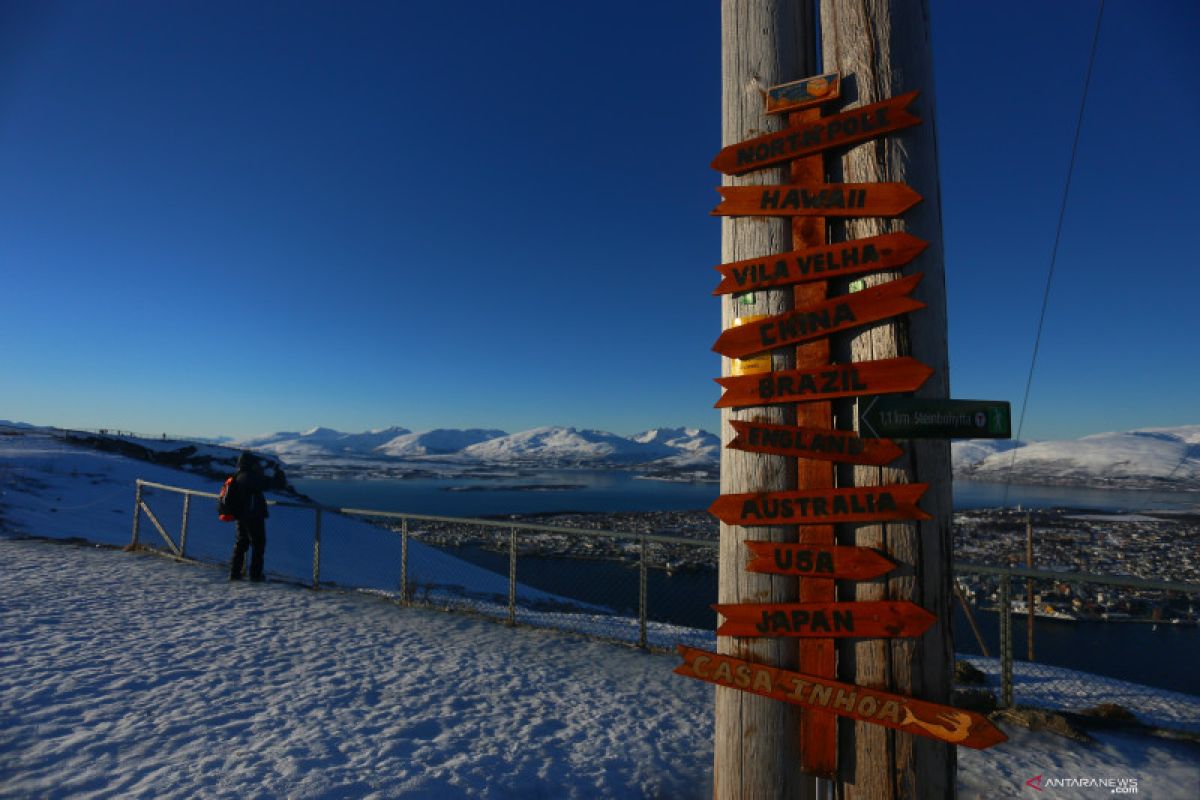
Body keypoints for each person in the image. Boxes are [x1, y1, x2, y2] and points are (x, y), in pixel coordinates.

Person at [229, 451, 272, 582]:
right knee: (258, 544)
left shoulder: (238, 475)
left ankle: (235, 572)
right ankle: (255, 574)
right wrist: (259, 472)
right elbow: (263, 485)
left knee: (241, 543)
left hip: (241, 515)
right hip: (252, 515)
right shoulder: (249, 476)